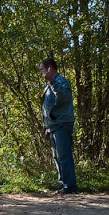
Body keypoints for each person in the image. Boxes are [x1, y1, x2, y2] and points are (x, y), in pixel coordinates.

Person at [39, 57, 77, 194]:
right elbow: (48, 107)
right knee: (57, 156)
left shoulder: (60, 82)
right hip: (54, 125)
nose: (41, 73)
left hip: (62, 124)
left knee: (64, 155)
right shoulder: (49, 85)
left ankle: (69, 185)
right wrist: (47, 126)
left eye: (42, 70)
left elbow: (62, 97)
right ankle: (63, 183)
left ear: (50, 68)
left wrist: (53, 81)